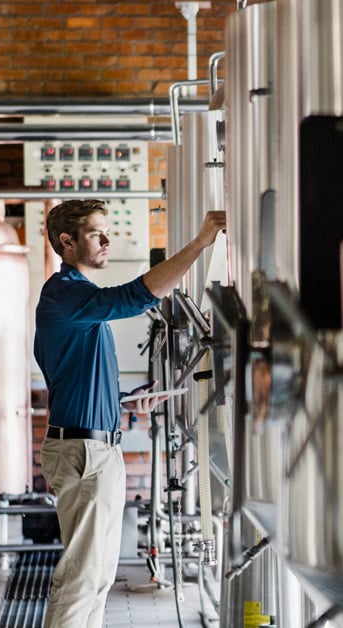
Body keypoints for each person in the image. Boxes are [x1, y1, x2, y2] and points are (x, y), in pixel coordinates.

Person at [33, 198, 226, 627]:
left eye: (107, 231)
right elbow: (135, 297)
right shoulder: (64, 294)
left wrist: (125, 399)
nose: (107, 240)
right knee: (82, 579)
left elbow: (72, 379)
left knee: (97, 578)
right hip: (85, 453)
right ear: (67, 241)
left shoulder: (74, 301)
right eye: (95, 233)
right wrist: (200, 243)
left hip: (94, 446)